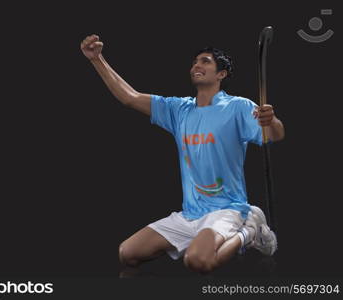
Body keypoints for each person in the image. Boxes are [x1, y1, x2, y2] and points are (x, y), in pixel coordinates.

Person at [80, 34, 285, 274]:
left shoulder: (238, 106)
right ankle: (219, 235)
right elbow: (130, 97)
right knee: (128, 253)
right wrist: (97, 59)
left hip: (226, 209)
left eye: (206, 61)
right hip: (190, 214)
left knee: (197, 261)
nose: (197, 65)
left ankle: (248, 230)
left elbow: (274, 135)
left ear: (221, 74)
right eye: (195, 61)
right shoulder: (178, 109)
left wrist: (271, 120)